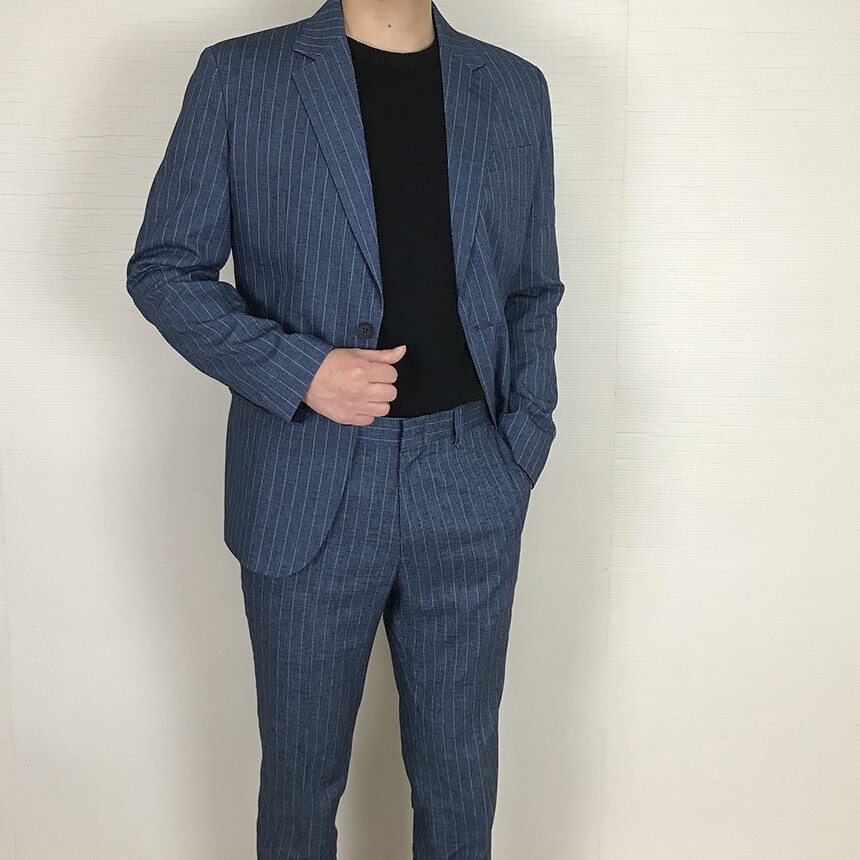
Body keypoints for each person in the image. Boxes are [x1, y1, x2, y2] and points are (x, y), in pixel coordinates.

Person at [126, 0, 563, 856]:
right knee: (300, 782)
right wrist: (302, 371)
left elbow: (532, 289)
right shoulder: (240, 76)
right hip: (307, 477)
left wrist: (522, 441)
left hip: (471, 475)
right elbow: (165, 269)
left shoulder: (514, 88)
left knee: (461, 779)